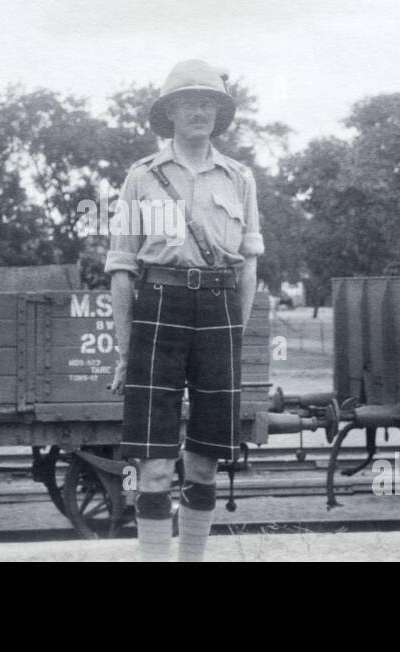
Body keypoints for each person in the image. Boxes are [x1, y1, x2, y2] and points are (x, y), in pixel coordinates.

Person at [105, 59, 263, 561]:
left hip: (219, 311)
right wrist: (127, 352)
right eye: (189, 102)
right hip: (158, 308)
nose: (200, 111)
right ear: (169, 113)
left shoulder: (239, 178)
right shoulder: (141, 179)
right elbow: (122, 269)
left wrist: (233, 333)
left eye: (209, 102)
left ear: (219, 112)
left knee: (206, 462)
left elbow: (249, 265)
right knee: (152, 465)